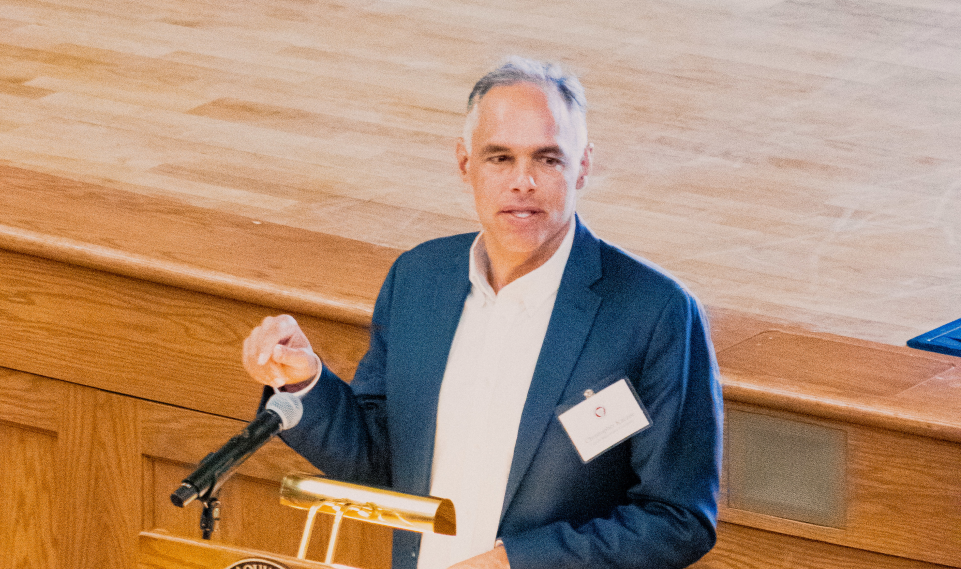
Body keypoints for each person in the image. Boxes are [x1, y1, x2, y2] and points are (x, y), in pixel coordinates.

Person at [243, 57, 722, 569]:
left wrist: (515, 563)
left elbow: (677, 518)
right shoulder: (418, 281)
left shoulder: (654, 313)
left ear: (582, 166)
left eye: (548, 159)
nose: (523, 182)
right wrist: (304, 385)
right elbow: (382, 461)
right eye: (500, 158)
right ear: (464, 163)